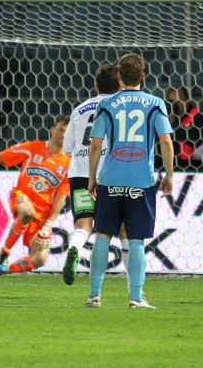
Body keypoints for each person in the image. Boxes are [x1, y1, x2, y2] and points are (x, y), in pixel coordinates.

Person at [86, 53, 174, 310]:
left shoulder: (107, 104)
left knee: (103, 234)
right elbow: (166, 141)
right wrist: (168, 175)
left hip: (111, 177)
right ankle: (136, 298)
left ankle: (94, 296)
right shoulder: (156, 103)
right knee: (136, 238)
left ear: (119, 77)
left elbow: (95, 144)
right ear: (143, 76)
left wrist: (92, 177)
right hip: (141, 180)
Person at [0, 115, 71, 276]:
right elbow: (0, 158)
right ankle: (4, 255)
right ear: (52, 130)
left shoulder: (68, 164)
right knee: (27, 212)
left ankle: (0, 270)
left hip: (42, 215)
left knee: (39, 259)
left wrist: (48, 224)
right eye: (60, 129)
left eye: (68, 131)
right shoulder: (32, 147)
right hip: (22, 197)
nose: (63, 134)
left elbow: (61, 198)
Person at [62, 63, 131, 286]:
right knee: (123, 231)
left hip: (79, 174)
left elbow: (66, 148)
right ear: (120, 84)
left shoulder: (78, 109)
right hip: (108, 175)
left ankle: (74, 247)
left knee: (84, 226)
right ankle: (135, 289)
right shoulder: (119, 108)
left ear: (95, 86)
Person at [166, 86, 203, 167]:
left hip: (194, 166)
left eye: (178, 102)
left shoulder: (197, 116)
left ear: (187, 102)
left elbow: (196, 140)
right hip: (173, 165)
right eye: (172, 102)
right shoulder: (167, 118)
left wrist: (174, 123)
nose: (175, 106)